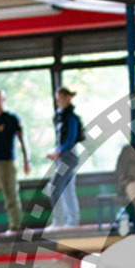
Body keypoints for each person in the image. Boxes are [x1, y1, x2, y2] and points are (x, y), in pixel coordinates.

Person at [0, 89, 32, 234]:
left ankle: (15, 226)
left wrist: (26, 160)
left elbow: (22, 139)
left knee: (10, 194)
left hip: (7, 161)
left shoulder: (12, 118)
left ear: (4, 100)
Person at [46, 87, 83, 229]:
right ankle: (73, 222)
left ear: (67, 98)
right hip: (62, 157)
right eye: (57, 99)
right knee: (67, 189)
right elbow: (60, 140)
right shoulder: (59, 117)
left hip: (69, 157)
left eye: (61, 98)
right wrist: (56, 152)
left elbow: (71, 139)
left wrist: (59, 151)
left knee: (53, 187)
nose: (59, 102)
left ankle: (59, 221)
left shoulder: (72, 118)